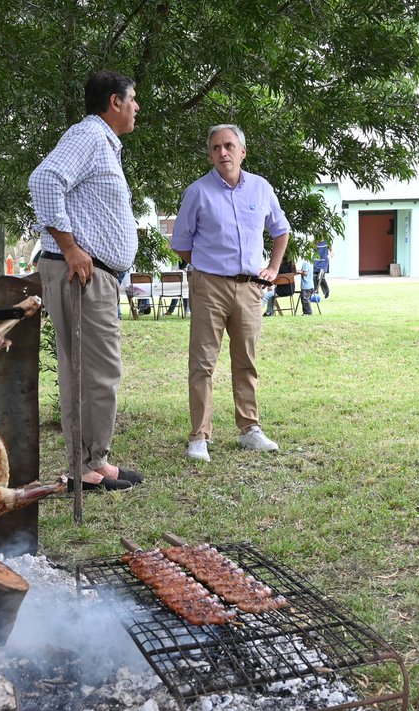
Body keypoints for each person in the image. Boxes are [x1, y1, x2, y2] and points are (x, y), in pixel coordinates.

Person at [28, 70, 144, 491]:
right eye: (132, 99)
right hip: (81, 273)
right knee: (93, 372)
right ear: (114, 102)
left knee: (91, 371)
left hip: (94, 276)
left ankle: (95, 460)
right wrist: (72, 247)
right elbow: (44, 180)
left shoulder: (102, 144)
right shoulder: (89, 136)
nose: (136, 107)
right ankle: (86, 467)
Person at [171, 124, 290, 463]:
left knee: (246, 363)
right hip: (209, 287)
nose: (222, 152)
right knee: (202, 364)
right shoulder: (198, 192)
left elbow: (280, 230)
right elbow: (181, 244)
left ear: (242, 152)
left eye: (228, 146)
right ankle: (199, 437)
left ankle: (249, 429)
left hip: (251, 288)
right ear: (210, 155)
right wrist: (209, 268)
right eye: (215, 148)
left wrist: (272, 268)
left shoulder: (261, 188)